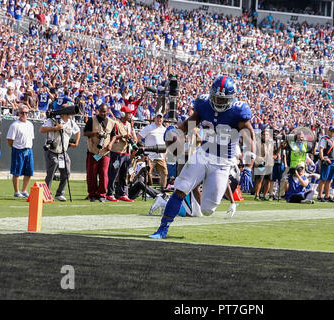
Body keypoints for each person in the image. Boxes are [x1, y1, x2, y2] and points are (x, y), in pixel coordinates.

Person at [149, 75, 255, 239]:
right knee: (181, 186)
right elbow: (189, 125)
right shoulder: (204, 105)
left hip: (222, 162)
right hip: (203, 154)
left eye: (222, 99)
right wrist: (174, 130)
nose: (219, 102)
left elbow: (250, 138)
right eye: (216, 98)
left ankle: (182, 202)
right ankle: (163, 228)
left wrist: (248, 166)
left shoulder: (238, 111)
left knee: (207, 209)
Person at [39, 110, 81, 201]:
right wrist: (55, 128)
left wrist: (76, 143)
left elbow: (78, 131)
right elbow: (42, 129)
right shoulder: (53, 120)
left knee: (66, 172)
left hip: (63, 152)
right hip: (52, 151)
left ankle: (60, 193)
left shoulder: (71, 122)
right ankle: (46, 194)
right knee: (51, 173)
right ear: (63, 113)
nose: (71, 114)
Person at [83, 104, 117, 202]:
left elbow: (114, 135)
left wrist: (111, 144)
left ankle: (102, 194)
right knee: (91, 174)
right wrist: (94, 134)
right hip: (93, 151)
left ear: (108, 111)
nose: (103, 113)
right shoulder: (91, 120)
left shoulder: (111, 122)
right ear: (98, 111)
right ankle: (92, 194)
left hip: (105, 152)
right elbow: (85, 132)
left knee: (103, 173)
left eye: (105, 112)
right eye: (101, 111)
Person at [106, 106, 137, 202]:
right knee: (113, 173)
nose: (130, 115)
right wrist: (124, 136)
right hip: (117, 152)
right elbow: (113, 136)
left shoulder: (128, 124)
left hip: (126, 152)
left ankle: (122, 193)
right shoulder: (116, 123)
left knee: (124, 174)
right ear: (123, 114)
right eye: (128, 113)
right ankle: (110, 193)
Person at [6, 105, 34, 198]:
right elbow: (10, 140)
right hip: (18, 150)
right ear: (18, 113)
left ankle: (24, 190)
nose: (24, 114)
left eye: (26, 113)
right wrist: (15, 147)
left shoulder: (30, 124)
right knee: (16, 172)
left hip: (28, 149)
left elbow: (31, 138)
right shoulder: (15, 125)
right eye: (22, 112)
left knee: (29, 172)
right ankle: (16, 191)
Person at [137, 112, 168, 193]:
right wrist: (143, 148)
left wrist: (165, 154)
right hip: (149, 155)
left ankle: (162, 191)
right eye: (157, 117)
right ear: (154, 118)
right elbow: (138, 137)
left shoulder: (164, 130)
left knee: (164, 173)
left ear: (163, 119)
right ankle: (147, 191)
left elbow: (167, 143)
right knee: (147, 173)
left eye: (160, 118)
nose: (159, 119)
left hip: (161, 156)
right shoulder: (149, 127)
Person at [317, 126, 334, 202]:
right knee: (323, 179)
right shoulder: (324, 139)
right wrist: (322, 159)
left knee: (329, 179)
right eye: (331, 131)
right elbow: (321, 149)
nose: (332, 133)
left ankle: (327, 196)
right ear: (328, 131)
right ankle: (319, 196)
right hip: (327, 160)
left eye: (333, 131)